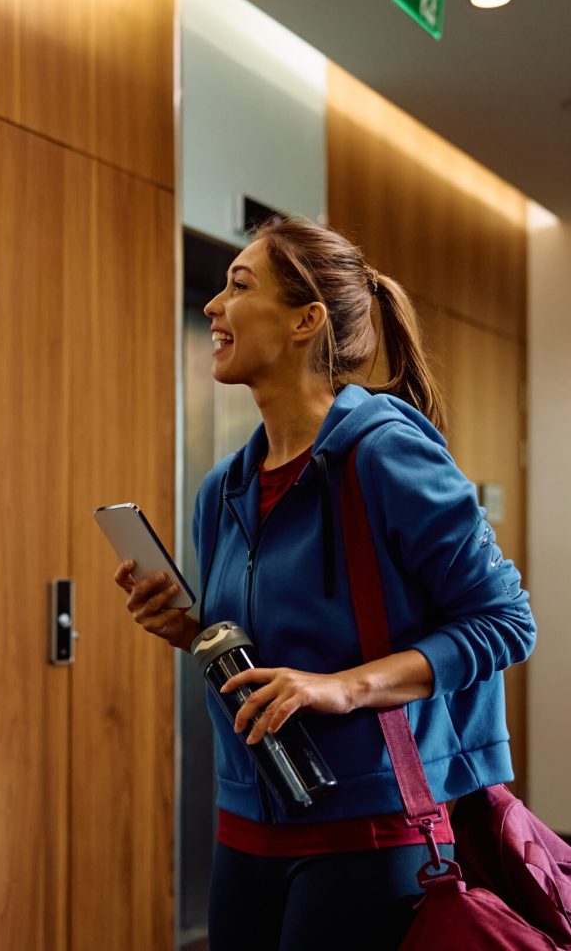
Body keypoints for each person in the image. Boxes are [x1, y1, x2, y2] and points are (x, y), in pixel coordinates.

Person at [114, 216, 535, 949]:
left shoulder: (385, 454)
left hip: (370, 836)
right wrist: (189, 629)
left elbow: (505, 622)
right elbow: (272, 650)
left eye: (238, 286)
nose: (213, 307)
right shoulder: (224, 490)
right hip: (244, 829)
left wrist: (341, 686)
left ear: (306, 320)